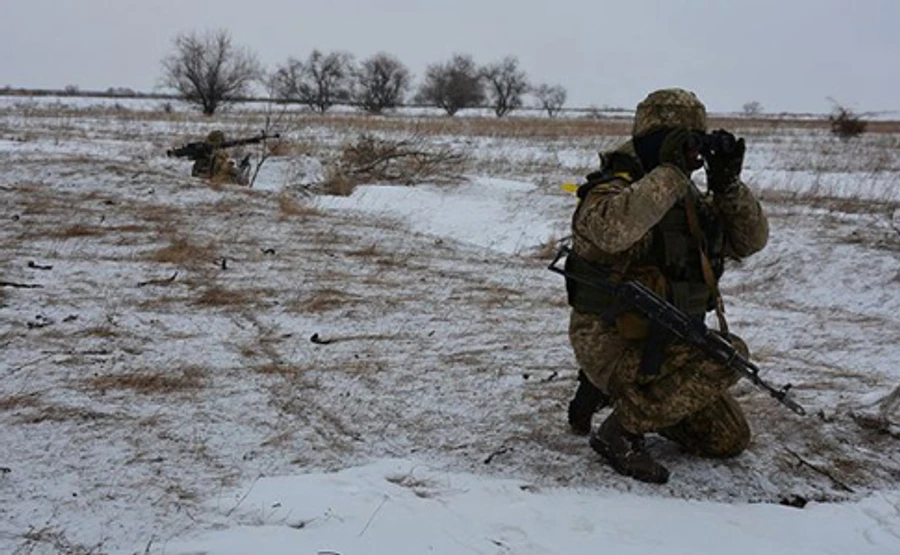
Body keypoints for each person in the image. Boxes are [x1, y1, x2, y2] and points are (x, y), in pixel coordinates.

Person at [564, 88, 769, 483]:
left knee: (728, 439)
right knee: (728, 355)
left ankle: (621, 397)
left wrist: (728, 185)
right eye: (683, 142)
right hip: (612, 340)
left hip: (668, 339)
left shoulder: (686, 198)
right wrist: (670, 172)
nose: (692, 155)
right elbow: (609, 231)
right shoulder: (611, 187)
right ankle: (619, 431)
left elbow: (751, 241)